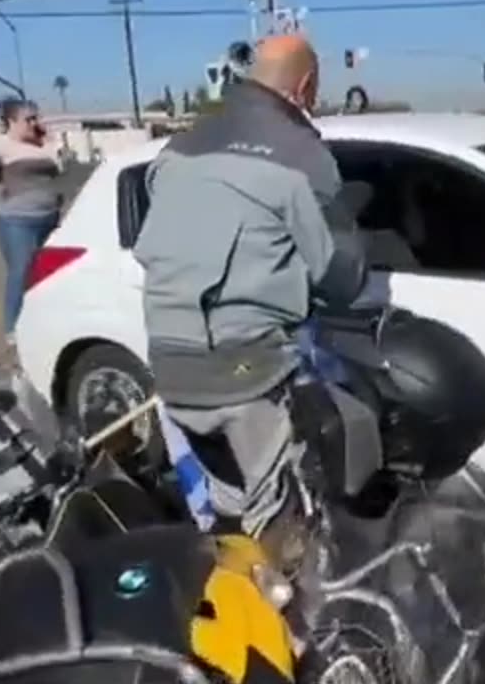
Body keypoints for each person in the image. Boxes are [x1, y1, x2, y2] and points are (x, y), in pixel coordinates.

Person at [133, 35, 367, 539]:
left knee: (226, 503)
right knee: (276, 518)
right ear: (305, 86)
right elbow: (341, 277)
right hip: (242, 369)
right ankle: (284, 608)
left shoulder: (191, 135)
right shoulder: (300, 151)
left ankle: (224, 577)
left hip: (168, 363)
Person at [0, 98, 62, 348]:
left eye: (36, 118)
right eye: (29, 119)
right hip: (19, 221)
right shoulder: (3, 147)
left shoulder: (40, 144)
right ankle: (13, 328)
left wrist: (50, 141)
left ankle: (41, 320)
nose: (35, 123)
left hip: (49, 217)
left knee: (47, 273)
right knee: (21, 273)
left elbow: (59, 167)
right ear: (12, 121)